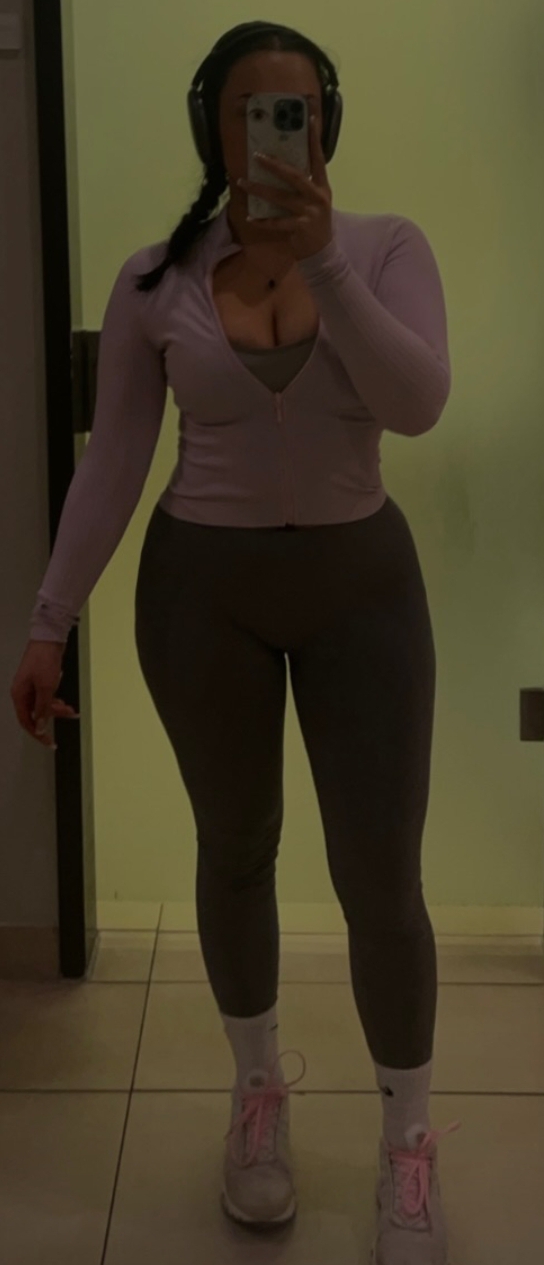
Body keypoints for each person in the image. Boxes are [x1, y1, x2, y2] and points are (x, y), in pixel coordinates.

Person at [10, 20, 460, 1263]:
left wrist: (325, 266)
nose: (276, 135)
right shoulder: (153, 280)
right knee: (235, 846)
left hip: (363, 592)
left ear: (326, 127)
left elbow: (419, 403)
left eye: (297, 113)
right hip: (199, 594)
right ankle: (257, 1094)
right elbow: (113, 461)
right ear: (213, 129)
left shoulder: (384, 248)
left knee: (382, 877)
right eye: (251, 113)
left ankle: (408, 1141)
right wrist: (48, 622)